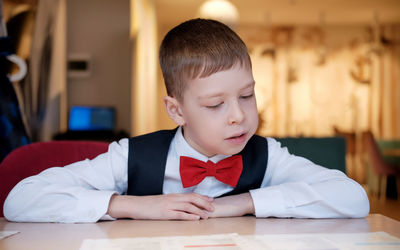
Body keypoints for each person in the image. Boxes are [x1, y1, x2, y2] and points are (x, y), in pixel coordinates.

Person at [3, 18, 369, 223]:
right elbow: (20, 201)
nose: (239, 116)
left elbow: (354, 199)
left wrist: (244, 202)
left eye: (246, 95)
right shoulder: (129, 156)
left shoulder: (268, 155)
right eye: (215, 105)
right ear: (176, 110)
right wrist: (128, 205)